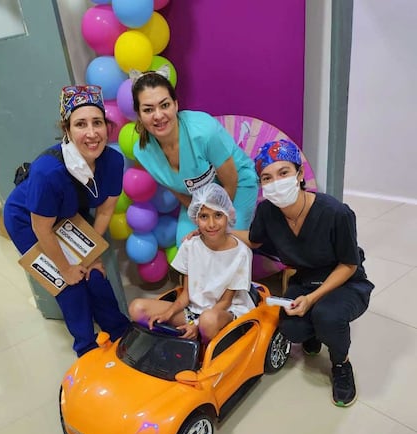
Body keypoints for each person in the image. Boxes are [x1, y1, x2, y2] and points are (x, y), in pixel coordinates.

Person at [236, 139, 374, 407]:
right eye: (267, 177)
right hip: (306, 279)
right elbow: (254, 240)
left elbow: (349, 265)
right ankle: (314, 331)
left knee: (327, 316)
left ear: (299, 174)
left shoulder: (336, 213)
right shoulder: (267, 212)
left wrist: (312, 300)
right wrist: (217, 231)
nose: (276, 182)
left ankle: (341, 365)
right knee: (291, 328)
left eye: (283, 173)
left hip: (344, 280)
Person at [3, 84, 130, 357]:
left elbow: (105, 211)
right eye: (80, 124)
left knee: (95, 274)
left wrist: (90, 255)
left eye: (98, 122)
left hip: (70, 211)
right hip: (29, 220)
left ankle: (121, 333)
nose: (92, 133)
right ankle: (86, 347)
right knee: (70, 286)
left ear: (108, 126)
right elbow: (41, 227)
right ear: (67, 130)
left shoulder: (114, 162)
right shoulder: (48, 172)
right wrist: (66, 268)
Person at [131, 66, 259, 244]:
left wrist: (212, 222)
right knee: (187, 246)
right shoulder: (143, 152)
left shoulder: (203, 131)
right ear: (138, 115)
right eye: (148, 110)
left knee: (225, 244)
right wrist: (200, 215)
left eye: (165, 105)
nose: (158, 115)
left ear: (176, 104)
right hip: (197, 199)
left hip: (236, 186)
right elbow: (175, 188)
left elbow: (231, 180)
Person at [128, 183, 255, 344]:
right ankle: (181, 339)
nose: (211, 224)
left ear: (227, 216)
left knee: (207, 321)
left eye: (217, 215)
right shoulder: (190, 245)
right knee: (136, 308)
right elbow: (187, 294)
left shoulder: (241, 253)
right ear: (196, 218)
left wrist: (197, 325)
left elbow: (225, 301)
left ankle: (203, 345)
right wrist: (168, 313)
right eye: (204, 216)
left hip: (224, 312)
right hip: (194, 311)